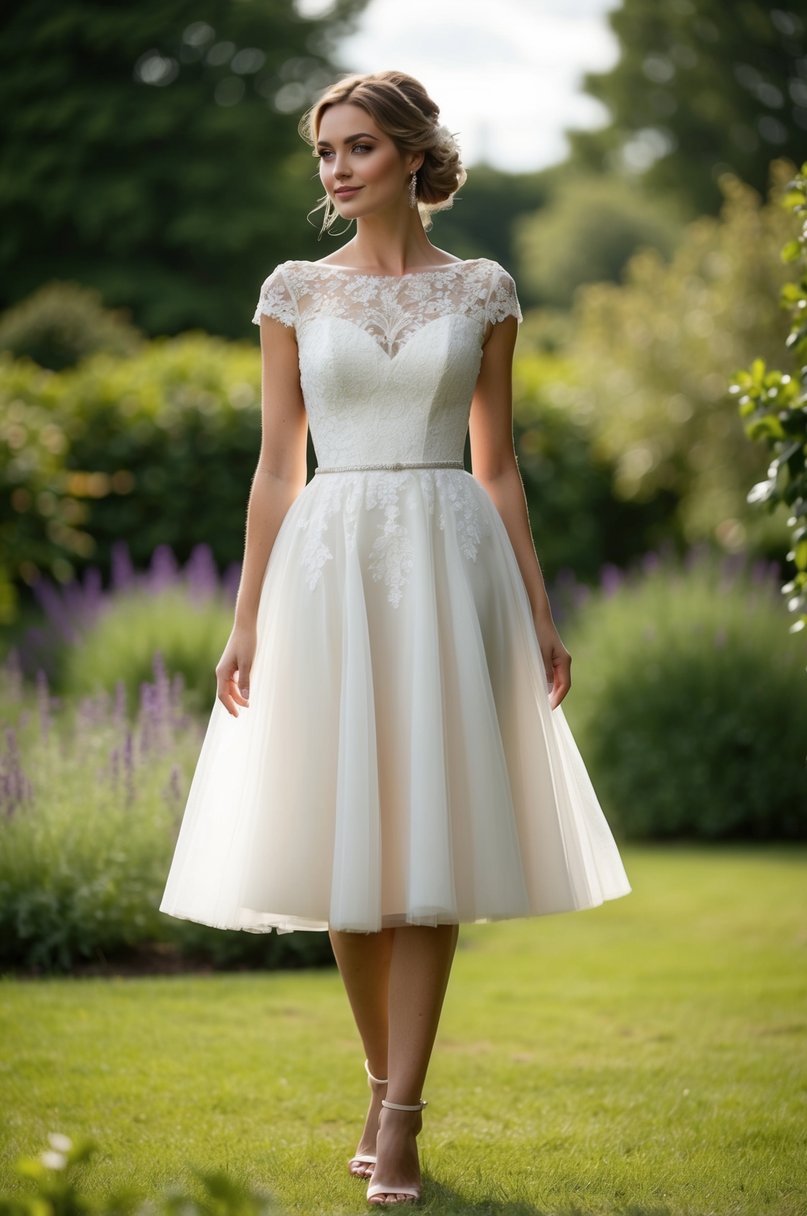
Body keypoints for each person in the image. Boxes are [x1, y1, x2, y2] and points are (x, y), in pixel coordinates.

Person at [160, 70, 630, 1207]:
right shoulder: (290, 293)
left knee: (426, 858)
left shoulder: (483, 290)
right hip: (328, 567)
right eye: (326, 151)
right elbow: (277, 467)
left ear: (412, 156)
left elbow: (498, 462)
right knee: (347, 864)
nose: (336, 168)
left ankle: (404, 1116)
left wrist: (540, 609)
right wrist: (244, 617)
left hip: (446, 560)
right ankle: (381, 1081)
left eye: (359, 147)